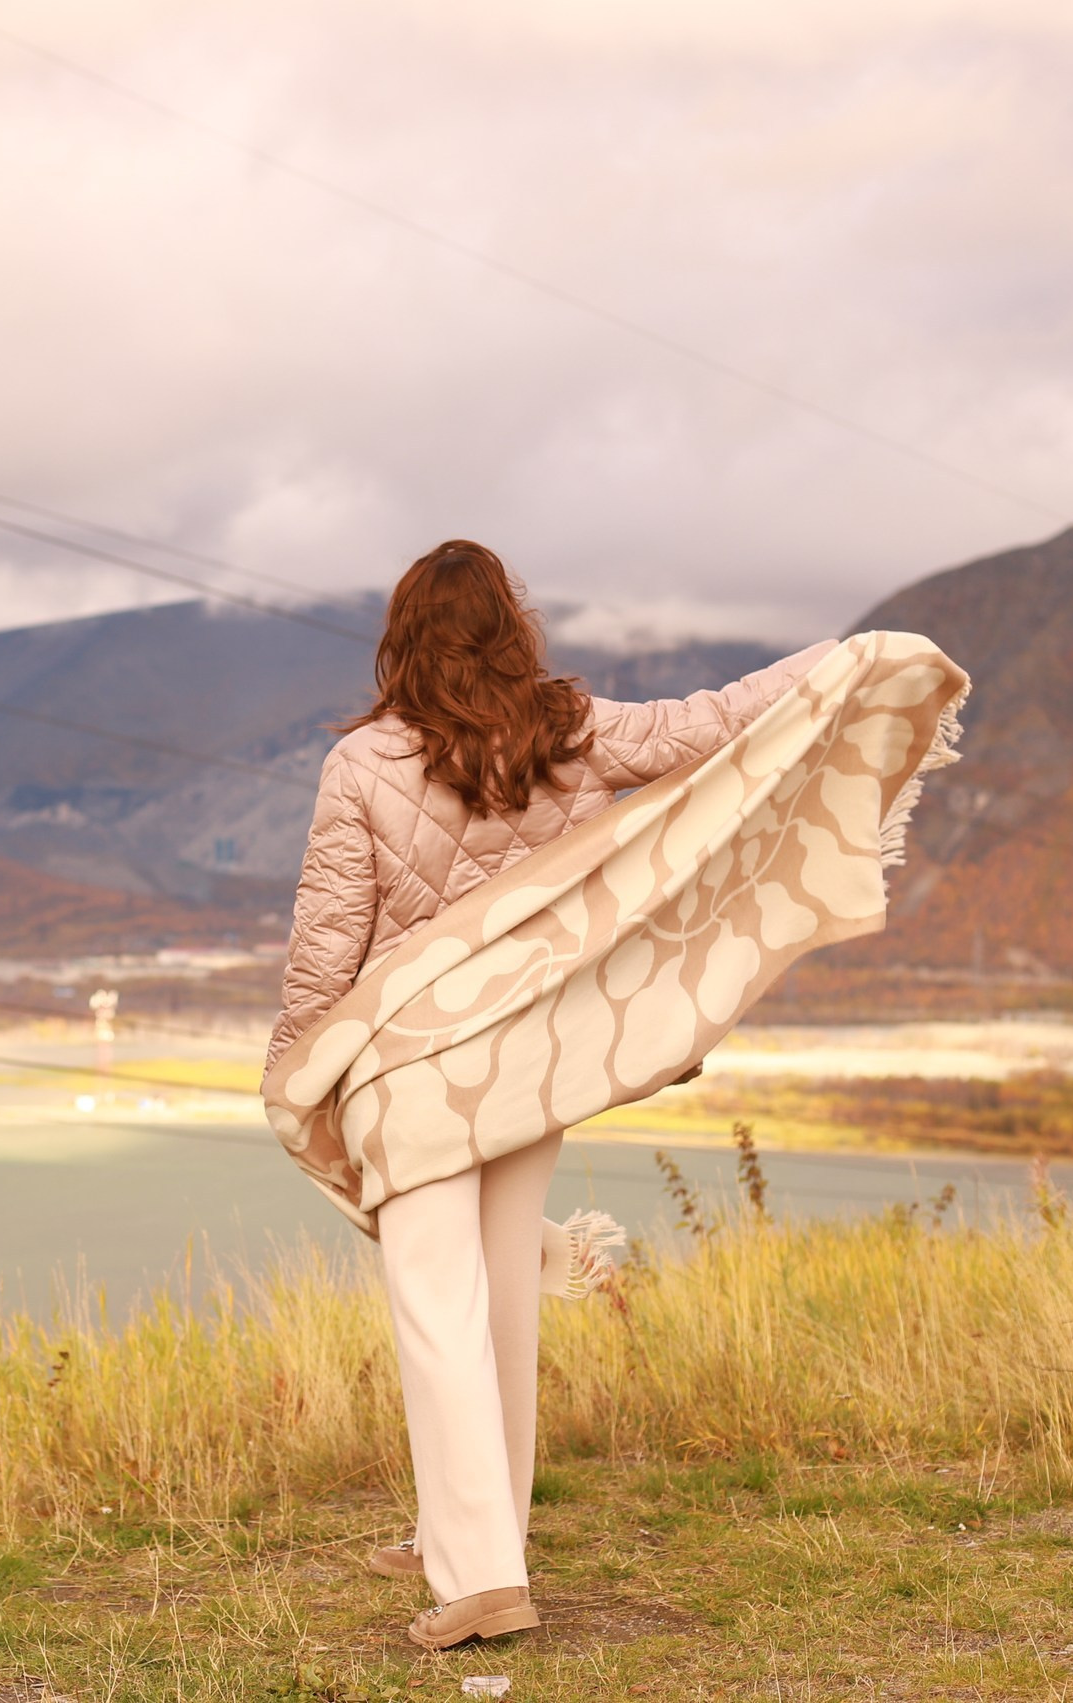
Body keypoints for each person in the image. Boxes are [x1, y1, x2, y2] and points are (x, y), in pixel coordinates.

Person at [266, 539, 832, 1650]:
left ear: (402, 635)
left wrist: (293, 1064)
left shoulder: (365, 762)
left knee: (436, 1303)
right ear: (506, 625)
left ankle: (481, 1576)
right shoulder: (565, 727)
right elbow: (709, 723)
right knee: (502, 1299)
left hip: (414, 1066)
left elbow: (329, 937)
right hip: (530, 1063)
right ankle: (468, 1535)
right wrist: (840, 658)